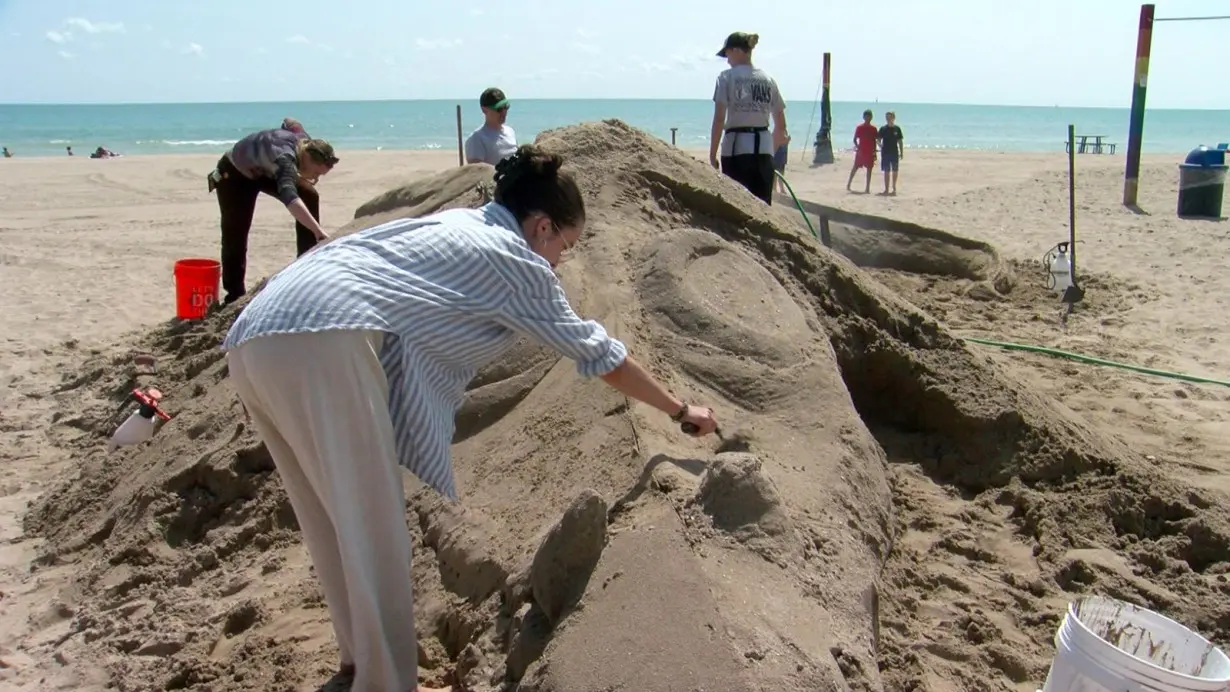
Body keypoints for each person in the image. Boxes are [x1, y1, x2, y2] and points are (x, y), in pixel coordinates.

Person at [220, 144, 721, 692]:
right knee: (372, 522)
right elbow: (599, 353)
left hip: (257, 333)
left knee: (330, 517)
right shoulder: (517, 259)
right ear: (543, 227)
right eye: (566, 246)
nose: (561, 261)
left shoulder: (461, 223)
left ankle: (359, 665)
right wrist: (679, 409)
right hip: (324, 335)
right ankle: (386, 682)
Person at [209, 126, 338, 304]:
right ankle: (234, 296)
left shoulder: (304, 140)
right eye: (316, 173)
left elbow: (292, 123)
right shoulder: (285, 161)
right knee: (236, 234)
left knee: (308, 193)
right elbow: (290, 199)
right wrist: (318, 231)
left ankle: (305, 270)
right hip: (234, 174)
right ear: (307, 157)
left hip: (263, 169)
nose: (315, 178)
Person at [709, 31, 788, 205]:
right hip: (764, 152)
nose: (727, 60)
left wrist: (712, 153)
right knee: (763, 206)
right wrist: (771, 150)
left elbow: (720, 118)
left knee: (737, 205)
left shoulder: (726, 77)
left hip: (736, 149)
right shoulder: (768, 79)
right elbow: (781, 125)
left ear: (737, 50)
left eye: (727, 54)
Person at [463, 87, 517, 166]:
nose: (504, 112)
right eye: (499, 109)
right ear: (484, 110)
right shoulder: (477, 139)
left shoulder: (510, 131)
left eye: (506, 106)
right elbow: (476, 173)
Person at [845, 109, 878, 194]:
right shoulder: (859, 127)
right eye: (866, 116)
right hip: (861, 151)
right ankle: (848, 184)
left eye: (869, 116)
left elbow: (876, 140)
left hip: (870, 151)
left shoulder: (874, 129)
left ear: (871, 117)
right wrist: (858, 147)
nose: (868, 118)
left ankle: (867, 188)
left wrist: (875, 152)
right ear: (864, 117)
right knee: (855, 167)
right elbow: (855, 139)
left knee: (869, 169)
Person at [878, 111, 904, 195]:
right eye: (887, 117)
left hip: (894, 152)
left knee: (895, 170)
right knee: (886, 171)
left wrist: (901, 152)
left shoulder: (897, 129)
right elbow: (878, 140)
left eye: (889, 117)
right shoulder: (883, 129)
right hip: (885, 153)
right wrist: (880, 145)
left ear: (893, 118)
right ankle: (886, 189)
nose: (888, 119)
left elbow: (900, 141)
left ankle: (894, 189)